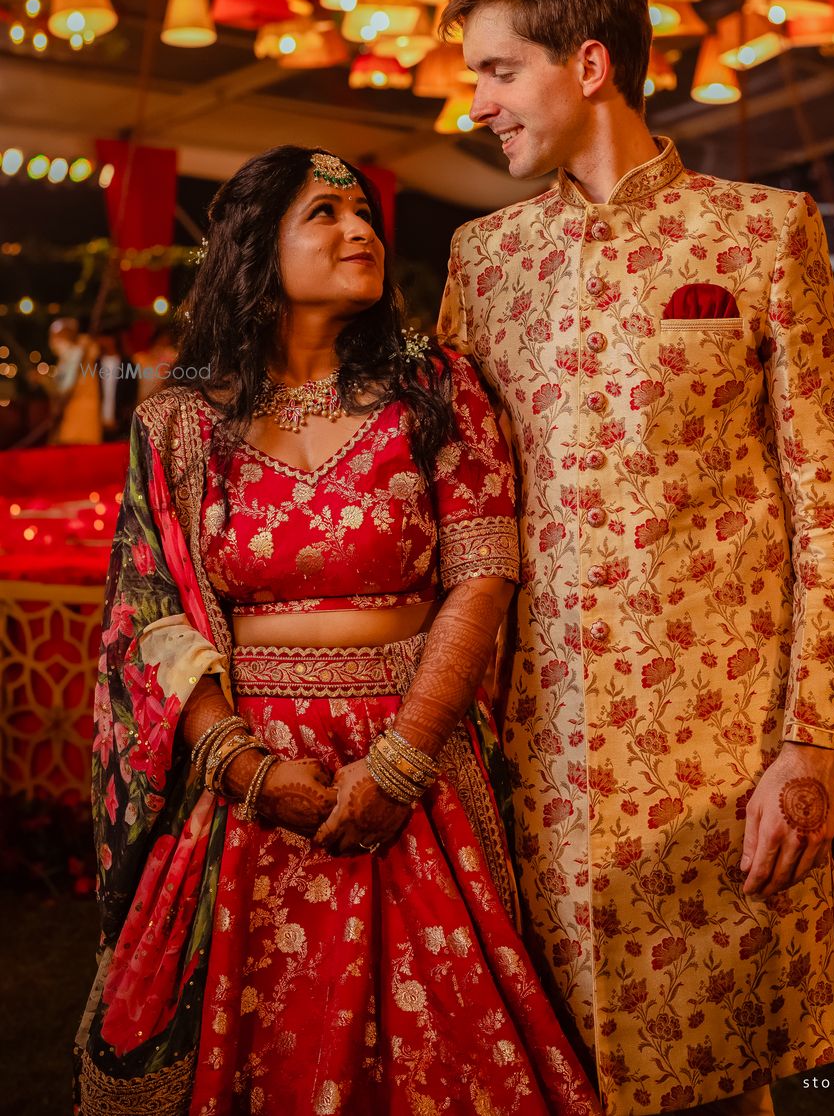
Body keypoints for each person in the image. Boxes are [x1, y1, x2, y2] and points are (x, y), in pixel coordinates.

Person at [437, 0, 834, 1114]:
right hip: (535, 757)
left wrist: (810, 742)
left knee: (724, 1078)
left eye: (495, 70)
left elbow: (829, 507)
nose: (473, 100)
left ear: (588, 65)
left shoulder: (762, 233)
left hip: (720, 760)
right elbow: (455, 504)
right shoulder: (484, 262)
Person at [74, 147, 600, 1116]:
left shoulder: (436, 386)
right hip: (253, 776)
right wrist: (241, 766)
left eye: (364, 210)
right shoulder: (182, 420)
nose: (360, 230)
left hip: (409, 760)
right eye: (324, 213)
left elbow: (483, 578)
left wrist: (401, 762)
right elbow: (154, 612)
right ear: (254, 249)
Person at [47, 316, 101, 445]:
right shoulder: (68, 357)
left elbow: (66, 385)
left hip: (80, 418)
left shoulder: (78, 354)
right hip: (71, 415)